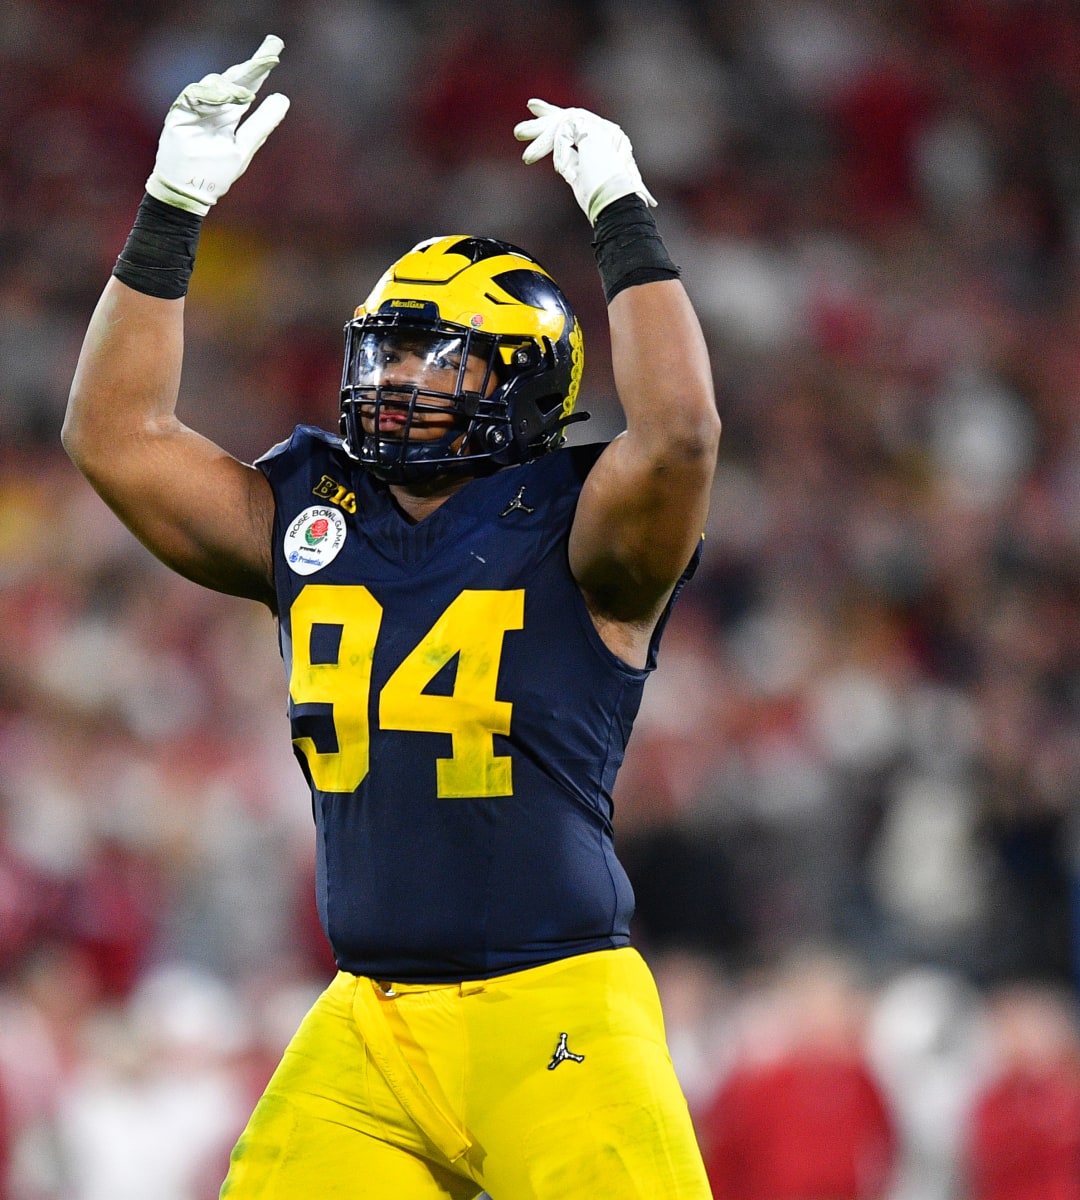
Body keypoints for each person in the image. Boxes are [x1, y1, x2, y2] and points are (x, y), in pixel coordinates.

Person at [63, 35, 719, 1200]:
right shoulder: (316, 507)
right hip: (368, 1013)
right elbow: (114, 438)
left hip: (553, 1005)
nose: (401, 380)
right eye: (391, 350)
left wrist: (622, 213)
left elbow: (680, 437)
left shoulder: (581, 523)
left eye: (442, 360)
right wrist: (169, 213)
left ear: (526, 386)